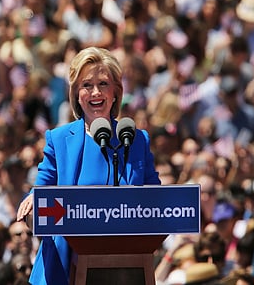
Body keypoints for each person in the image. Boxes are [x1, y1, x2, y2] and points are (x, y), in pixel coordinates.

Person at [16, 47, 161, 284]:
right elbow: (40, 193)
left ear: (116, 91)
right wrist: (34, 202)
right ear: (76, 93)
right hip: (63, 271)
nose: (95, 92)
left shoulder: (135, 140)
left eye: (103, 84)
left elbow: (157, 203)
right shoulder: (59, 140)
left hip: (126, 271)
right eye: (86, 85)